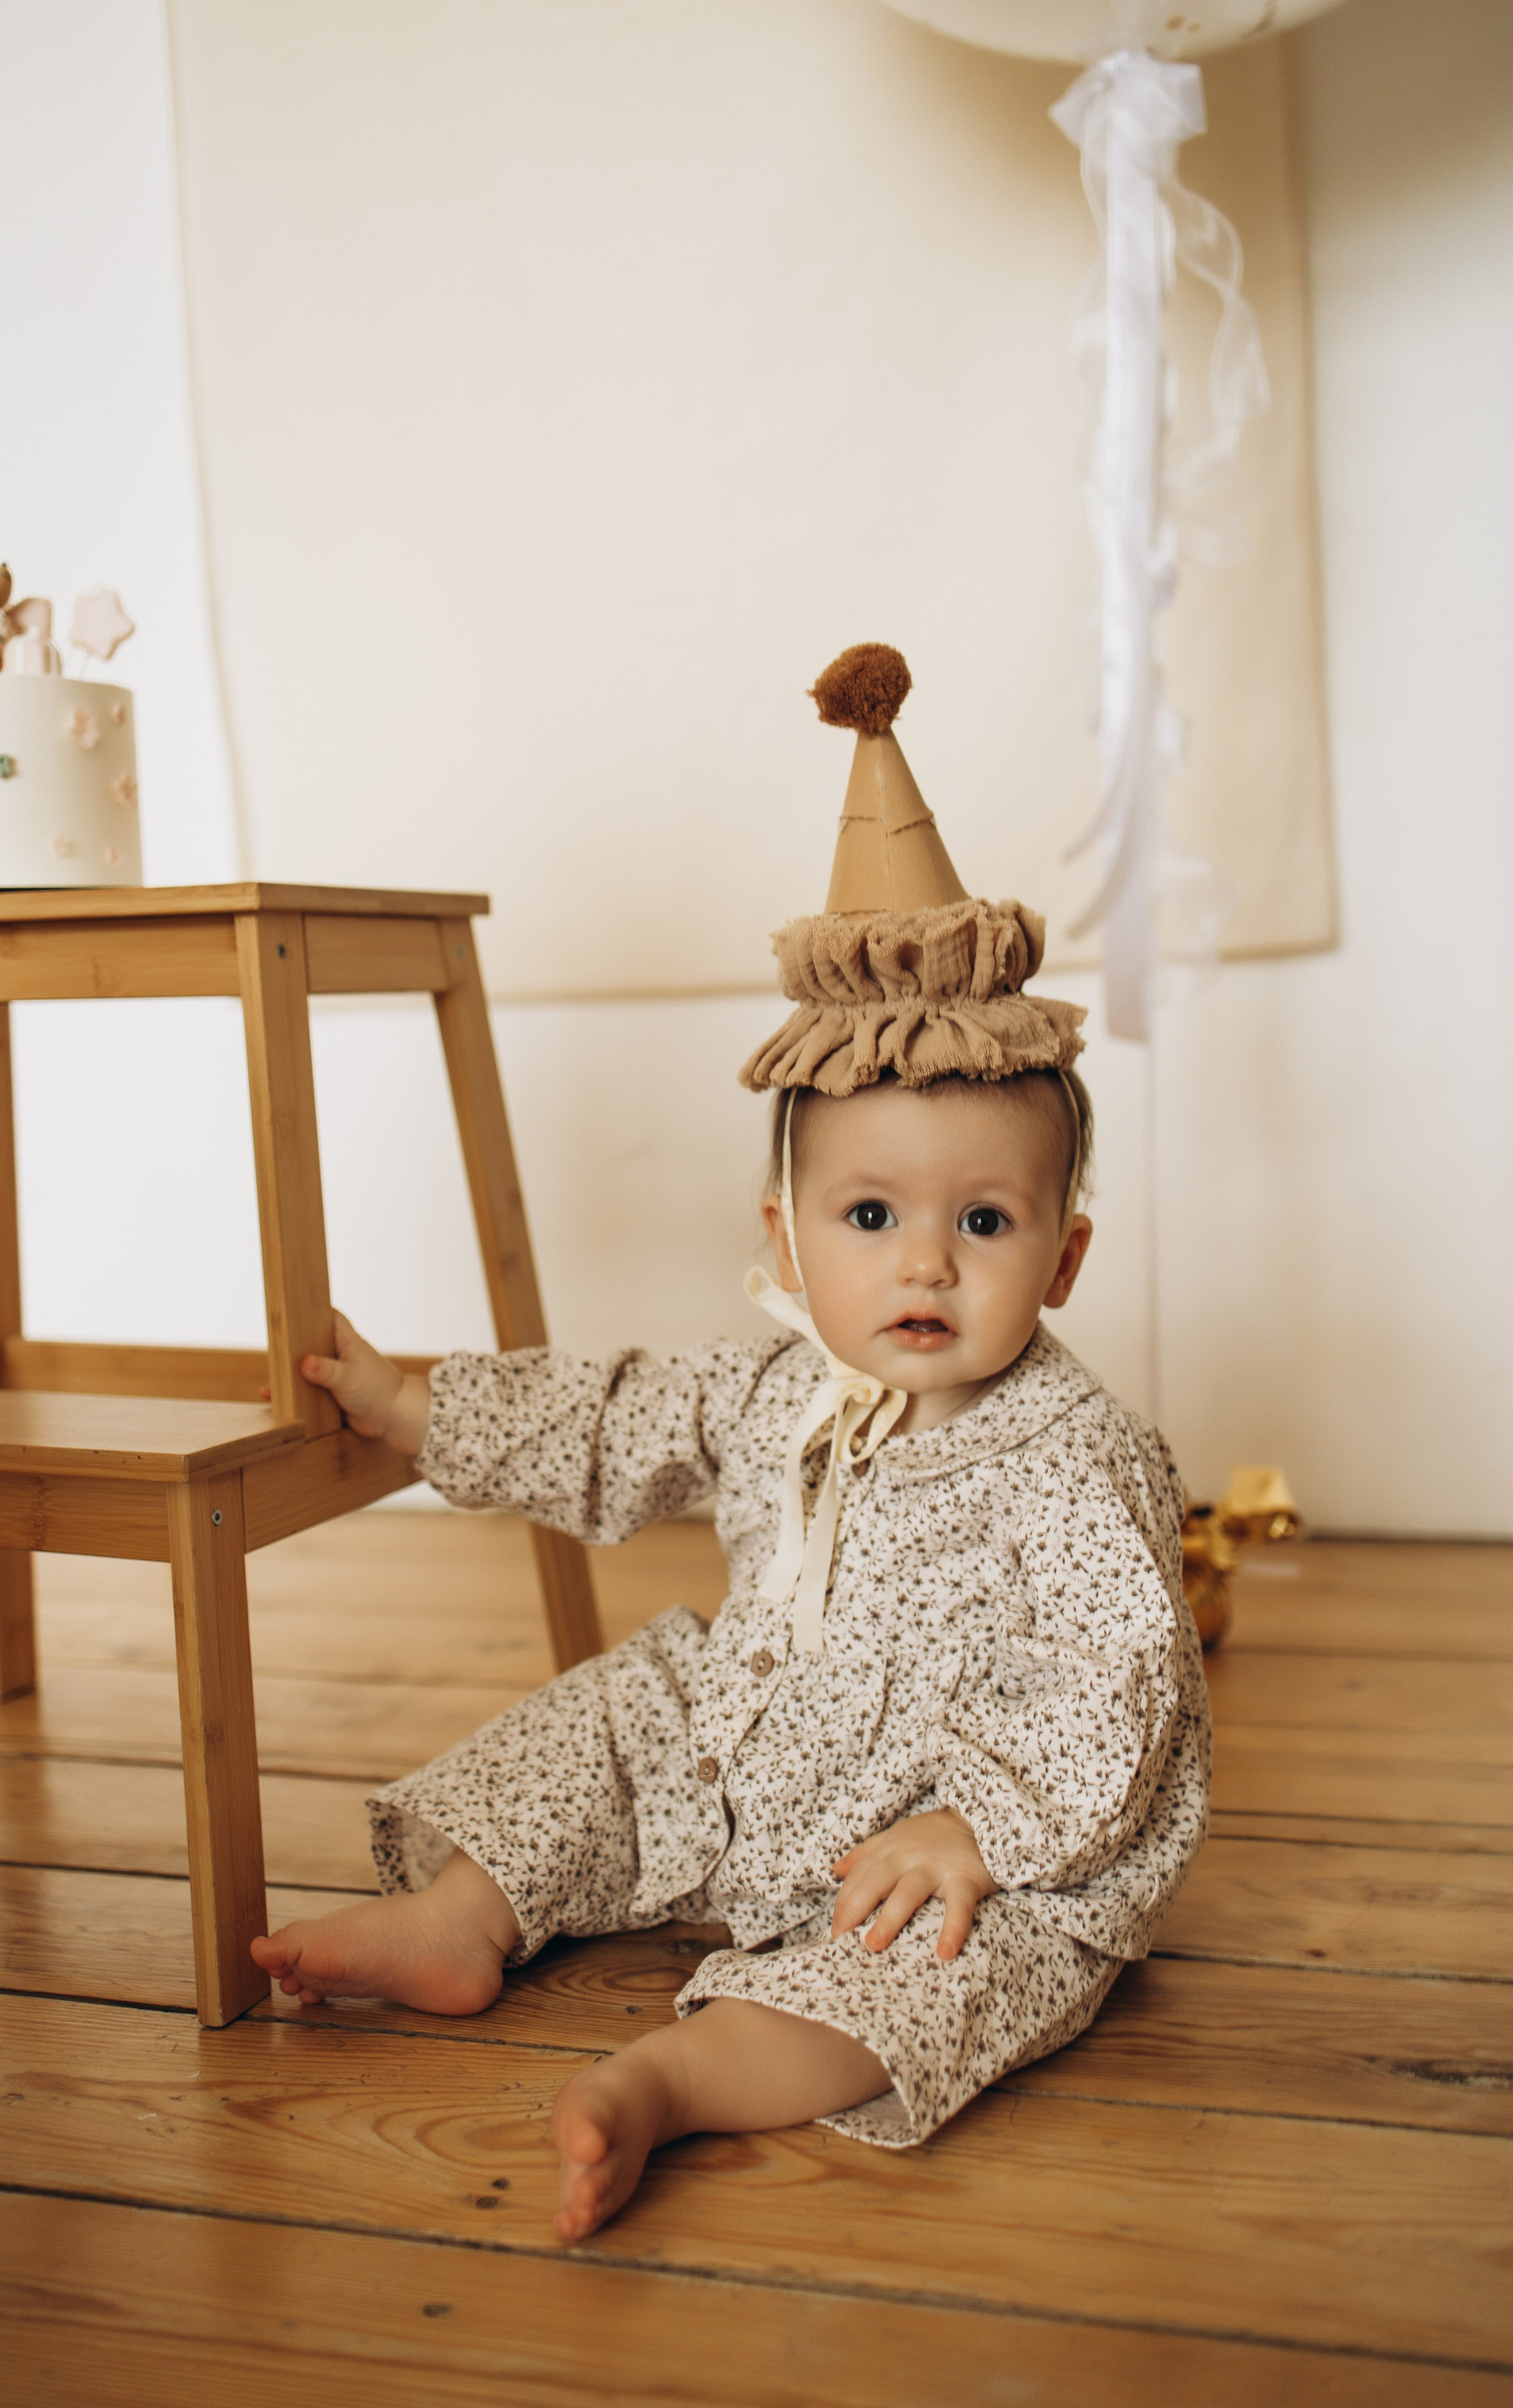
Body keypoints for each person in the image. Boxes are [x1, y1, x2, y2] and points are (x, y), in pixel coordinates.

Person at [251, 645, 1211, 2247]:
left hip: (946, 1825)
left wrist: (977, 1826)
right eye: (871, 1216)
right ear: (787, 1234)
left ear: (1065, 1256)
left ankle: (678, 2079)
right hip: (749, 1751)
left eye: (985, 1221)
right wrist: (420, 1412)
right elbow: (619, 1414)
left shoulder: (1075, 1454)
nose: (925, 1262)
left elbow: (1119, 1681)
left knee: (957, 1960)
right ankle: (462, 1915)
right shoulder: (778, 1384)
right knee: (619, 1713)